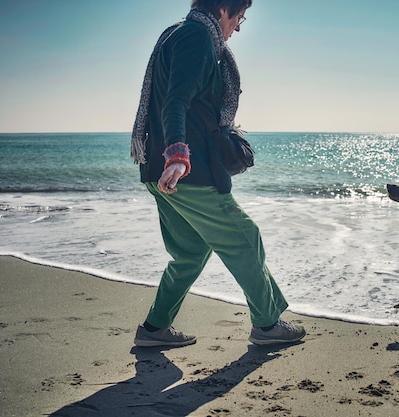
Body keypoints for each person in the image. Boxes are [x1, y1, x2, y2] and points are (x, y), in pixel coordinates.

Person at [130, 0, 305, 347]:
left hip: (157, 168)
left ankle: (154, 329)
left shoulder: (175, 34)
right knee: (246, 238)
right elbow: (175, 101)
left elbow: (172, 100)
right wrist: (178, 155)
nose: (238, 26)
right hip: (187, 172)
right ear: (223, 9)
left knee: (190, 252)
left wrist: (169, 159)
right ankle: (268, 325)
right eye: (239, 17)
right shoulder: (196, 37)